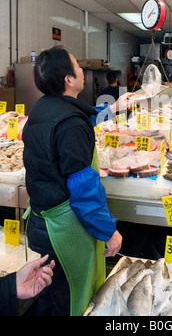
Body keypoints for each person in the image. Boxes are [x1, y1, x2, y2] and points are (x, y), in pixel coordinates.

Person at [22, 46, 133, 316]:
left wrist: (114, 109)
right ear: (68, 80)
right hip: (64, 232)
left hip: (41, 222)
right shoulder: (70, 123)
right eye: (78, 67)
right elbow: (84, 190)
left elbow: (83, 117)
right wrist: (109, 232)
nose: (83, 71)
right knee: (69, 301)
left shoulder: (42, 109)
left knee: (48, 293)